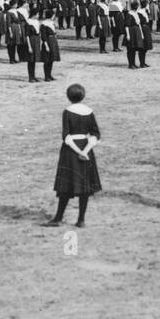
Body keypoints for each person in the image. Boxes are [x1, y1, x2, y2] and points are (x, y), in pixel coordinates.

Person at [45, 83, 102, 227]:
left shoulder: (67, 112)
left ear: (68, 97)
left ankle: (58, 218)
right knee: (84, 186)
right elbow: (95, 134)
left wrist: (78, 151)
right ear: (83, 96)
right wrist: (86, 150)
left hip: (70, 152)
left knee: (65, 186)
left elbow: (66, 136)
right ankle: (81, 220)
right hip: (86, 149)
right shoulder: (89, 112)